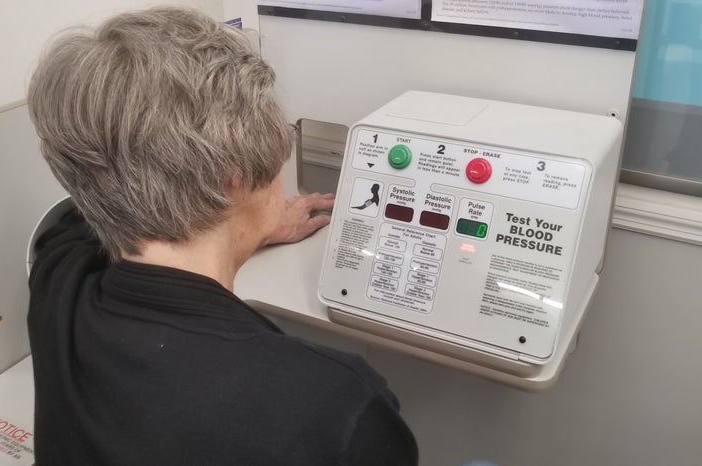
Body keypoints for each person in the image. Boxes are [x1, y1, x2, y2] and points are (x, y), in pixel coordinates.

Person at [25, 6, 418, 466]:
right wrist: (245, 222)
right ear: (232, 178)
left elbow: (91, 193)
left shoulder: (55, 280)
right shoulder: (338, 408)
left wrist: (247, 225)